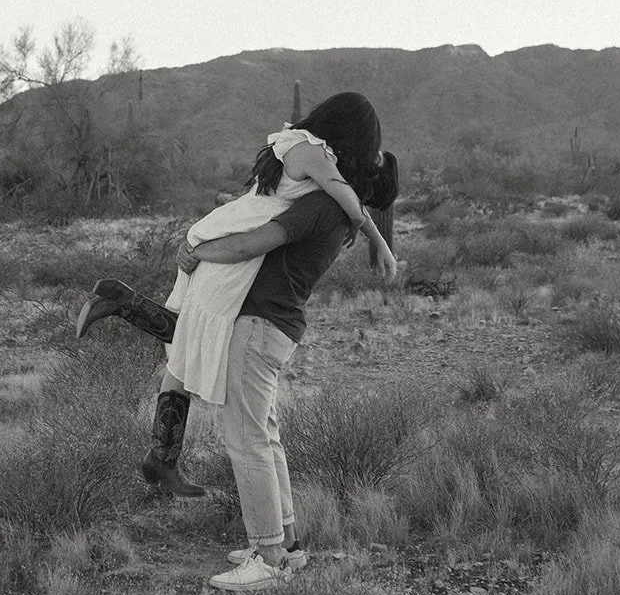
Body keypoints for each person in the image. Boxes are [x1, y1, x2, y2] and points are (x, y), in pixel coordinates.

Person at [76, 94, 396, 494]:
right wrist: (379, 242)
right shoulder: (313, 154)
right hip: (230, 240)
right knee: (195, 330)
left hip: (225, 231)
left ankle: (161, 459)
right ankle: (118, 301)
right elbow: (346, 197)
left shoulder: (299, 144)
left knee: (189, 337)